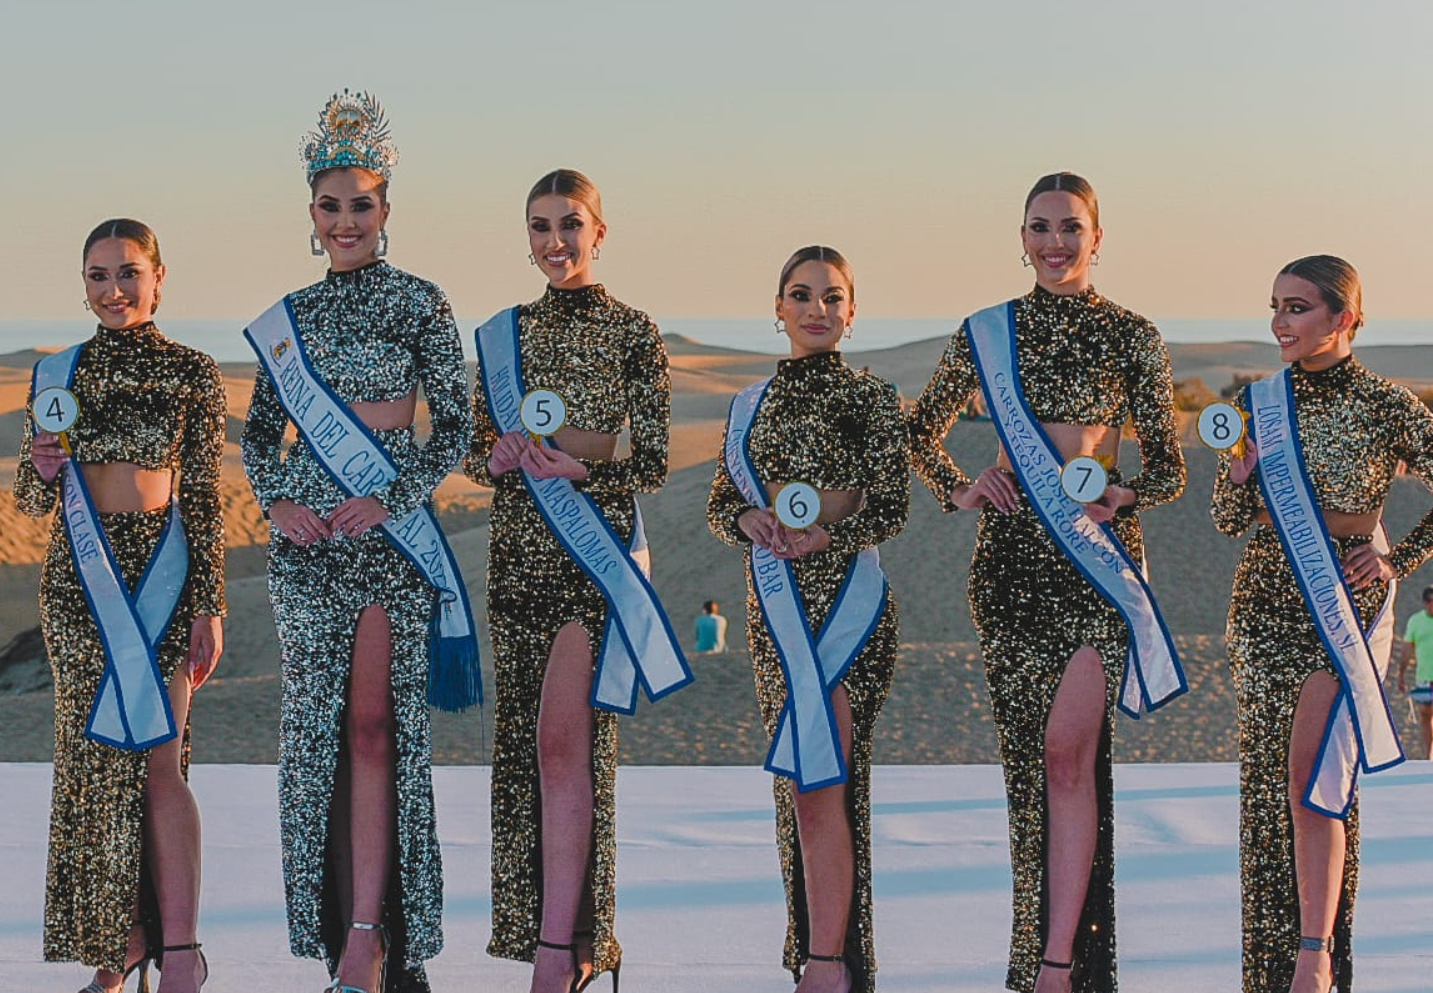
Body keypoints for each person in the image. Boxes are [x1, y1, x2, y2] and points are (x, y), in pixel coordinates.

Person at [905, 173, 1186, 993]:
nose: (1055, 243)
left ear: (1099, 238)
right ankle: (1037, 961)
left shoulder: (1135, 334)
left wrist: (1124, 492)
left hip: (1097, 567)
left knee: (1069, 758)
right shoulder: (985, 331)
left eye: (1071, 228)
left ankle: (1063, 964)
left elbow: (1166, 469)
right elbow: (920, 432)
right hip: (1010, 570)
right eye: (1039, 228)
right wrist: (959, 486)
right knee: (1030, 771)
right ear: (1020, 239)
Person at [240, 91, 478, 993]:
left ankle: (378, 937)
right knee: (319, 740)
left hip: (389, 543)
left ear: (386, 210)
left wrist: (392, 495)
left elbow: (451, 427)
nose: (346, 220)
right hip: (309, 554)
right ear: (312, 215)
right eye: (331, 206)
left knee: (379, 730)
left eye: (362, 204)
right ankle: (337, 924)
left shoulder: (422, 303)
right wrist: (278, 507)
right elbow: (263, 437)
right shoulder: (288, 320)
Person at [465, 168, 685, 993]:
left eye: (570, 224)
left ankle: (568, 950)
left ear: (600, 231)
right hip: (518, 555)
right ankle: (558, 941)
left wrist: (584, 468)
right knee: (528, 752)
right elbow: (473, 449)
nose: (554, 241)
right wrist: (493, 458)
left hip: (591, 554)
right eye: (539, 226)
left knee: (569, 743)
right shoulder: (499, 335)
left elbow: (656, 459)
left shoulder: (636, 331)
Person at [1211, 256, 1433, 993]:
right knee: (1271, 792)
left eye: (1298, 307)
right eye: (1274, 305)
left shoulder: (1386, 403)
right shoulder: (1257, 400)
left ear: (1343, 316)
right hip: (1262, 609)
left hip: (1339, 605)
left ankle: (1316, 956)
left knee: (1315, 783)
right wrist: (1239, 479)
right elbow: (1225, 520)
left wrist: (1397, 557)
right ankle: (1267, 970)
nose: (1280, 322)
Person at [15, 219, 226, 993]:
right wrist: (39, 468)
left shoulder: (194, 372)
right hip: (79, 586)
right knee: (95, 767)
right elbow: (27, 499)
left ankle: (181, 951)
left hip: (162, 579)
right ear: (83, 285)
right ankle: (118, 946)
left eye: (129, 273)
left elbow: (204, 495)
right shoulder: (54, 373)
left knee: (161, 762)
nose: (114, 290)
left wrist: (210, 604)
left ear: (159, 277)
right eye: (99, 276)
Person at [707, 246, 908, 993]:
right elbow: (719, 502)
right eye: (801, 295)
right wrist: (748, 519)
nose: (817, 309)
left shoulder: (873, 396)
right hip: (775, 615)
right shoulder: (746, 405)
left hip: (849, 612)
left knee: (823, 783)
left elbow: (892, 506)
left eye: (832, 297)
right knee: (799, 788)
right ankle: (826, 958)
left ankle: (828, 965)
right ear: (779, 309)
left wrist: (832, 536)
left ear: (852, 313)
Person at [1399, 586, 1433, 760]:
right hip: (1424, 678)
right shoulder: (1416, 621)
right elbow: (1407, 649)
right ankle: (1428, 755)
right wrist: (1401, 674)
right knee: (1426, 715)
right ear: (1425, 602)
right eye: (1430, 601)